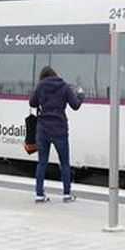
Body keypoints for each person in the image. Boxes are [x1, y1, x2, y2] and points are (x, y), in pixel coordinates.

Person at [29, 65, 84, 203]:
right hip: (59, 129)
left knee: (42, 162)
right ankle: (66, 194)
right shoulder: (64, 86)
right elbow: (75, 105)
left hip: (43, 129)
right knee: (64, 163)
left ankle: (39, 195)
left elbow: (32, 103)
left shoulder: (41, 86)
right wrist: (81, 95)